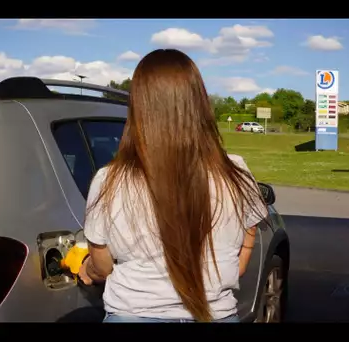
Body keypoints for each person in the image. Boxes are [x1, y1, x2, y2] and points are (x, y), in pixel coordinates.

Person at [78, 49, 268, 323]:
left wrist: (89, 268)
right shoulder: (235, 172)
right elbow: (240, 260)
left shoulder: (110, 180)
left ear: (139, 107)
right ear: (199, 102)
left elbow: (103, 266)